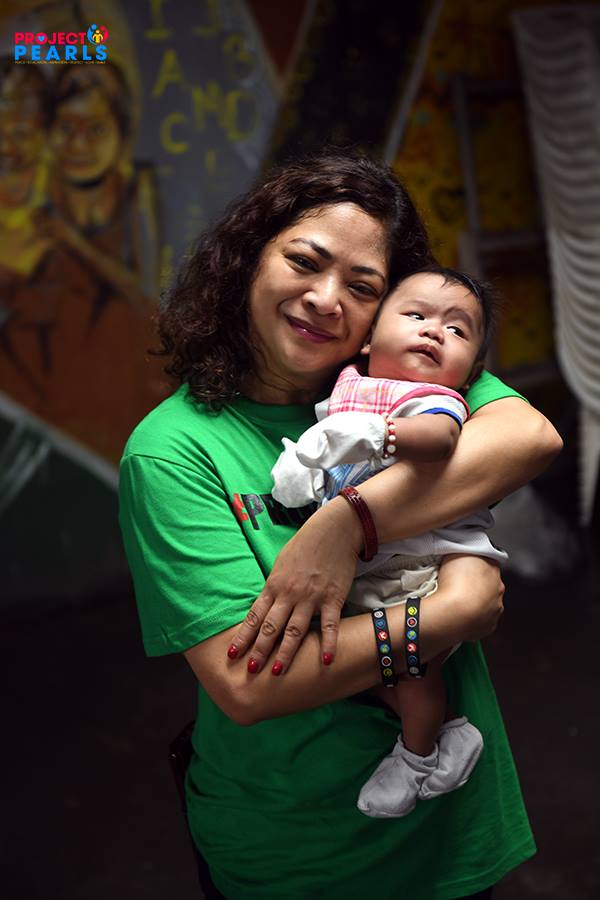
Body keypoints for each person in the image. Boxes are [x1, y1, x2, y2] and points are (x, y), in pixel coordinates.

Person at [119, 150, 562, 900]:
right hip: (300, 852)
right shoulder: (172, 450)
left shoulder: (403, 369)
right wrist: (440, 617)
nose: (326, 299)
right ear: (248, 260)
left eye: (363, 287)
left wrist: (347, 522)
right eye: (304, 261)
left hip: (450, 834)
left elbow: (531, 437)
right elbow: (247, 684)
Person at [271, 266, 508, 819]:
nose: (434, 331)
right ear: (370, 337)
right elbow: (329, 450)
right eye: (416, 315)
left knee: (408, 668)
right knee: (367, 673)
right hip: (368, 565)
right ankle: (449, 732)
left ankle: (417, 756)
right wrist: (304, 465)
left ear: (471, 370)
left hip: (417, 564)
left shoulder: (433, 399)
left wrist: (381, 433)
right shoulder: (349, 386)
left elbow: (439, 438)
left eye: (458, 330)